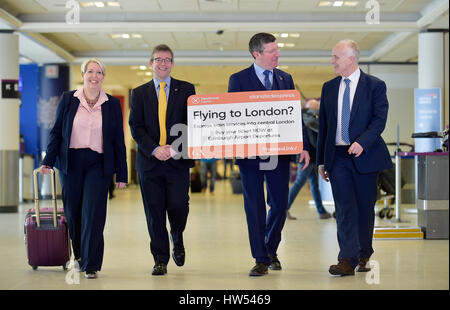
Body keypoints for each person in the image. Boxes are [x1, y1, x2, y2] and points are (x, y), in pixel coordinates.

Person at [228, 32, 310, 277]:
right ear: (257, 54)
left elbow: (295, 115)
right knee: (253, 205)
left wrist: (303, 145)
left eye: (277, 50)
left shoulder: (285, 78)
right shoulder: (239, 79)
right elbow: (232, 117)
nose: (278, 54)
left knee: (279, 203)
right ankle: (260, 257)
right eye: (272, 51)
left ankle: (271, 247)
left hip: (279, 153)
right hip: (250, 155)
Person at [39, 58, 127, 279]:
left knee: (94, 213)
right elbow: (57, 131)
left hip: (99, 164)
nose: (94, 76)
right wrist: (48, 161)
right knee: (74, 212)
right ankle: (78, 255)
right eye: (90, 71)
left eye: (99, 72)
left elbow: (118, 140)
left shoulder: (111, 104)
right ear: (83, 74)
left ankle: (91, 264)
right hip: (72, 162)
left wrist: (122, 173)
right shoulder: (69, 99)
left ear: (103, 77)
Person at [317, 39, 393, 276]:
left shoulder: (375, 86)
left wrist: (362, 142)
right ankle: (346, 259)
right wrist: (321, 160)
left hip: (366, 155)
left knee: (364, 207)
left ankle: (363, 253)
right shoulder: (329, 87)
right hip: (338, 156)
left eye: (336, 57)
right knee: (344, 208)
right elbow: (325, 126)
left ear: (351, 59)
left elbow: (379, 119)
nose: (332, 62)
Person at [129, 44, 195, 276]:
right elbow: (135, 127)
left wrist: (175, 149)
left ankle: (177, 235)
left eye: (167, 59)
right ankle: (160, 259)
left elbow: (192, 123)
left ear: (173, 63)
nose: (163, 63)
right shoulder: (139, 93)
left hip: (177, 161)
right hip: (150, 163)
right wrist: (155, 149)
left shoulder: (187, 89)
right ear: (151, 63)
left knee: (179, 205)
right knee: (154, 212)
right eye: (158, 59)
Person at [287, 99, 332, 220]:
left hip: (309, 157)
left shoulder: (303, 119)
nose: (318, 110)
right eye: (316, 107)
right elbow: (314, 141)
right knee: (299, 182)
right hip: (307, 157)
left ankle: (321, 211)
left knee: (313, 184)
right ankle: (283, 208)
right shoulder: (311, 119)